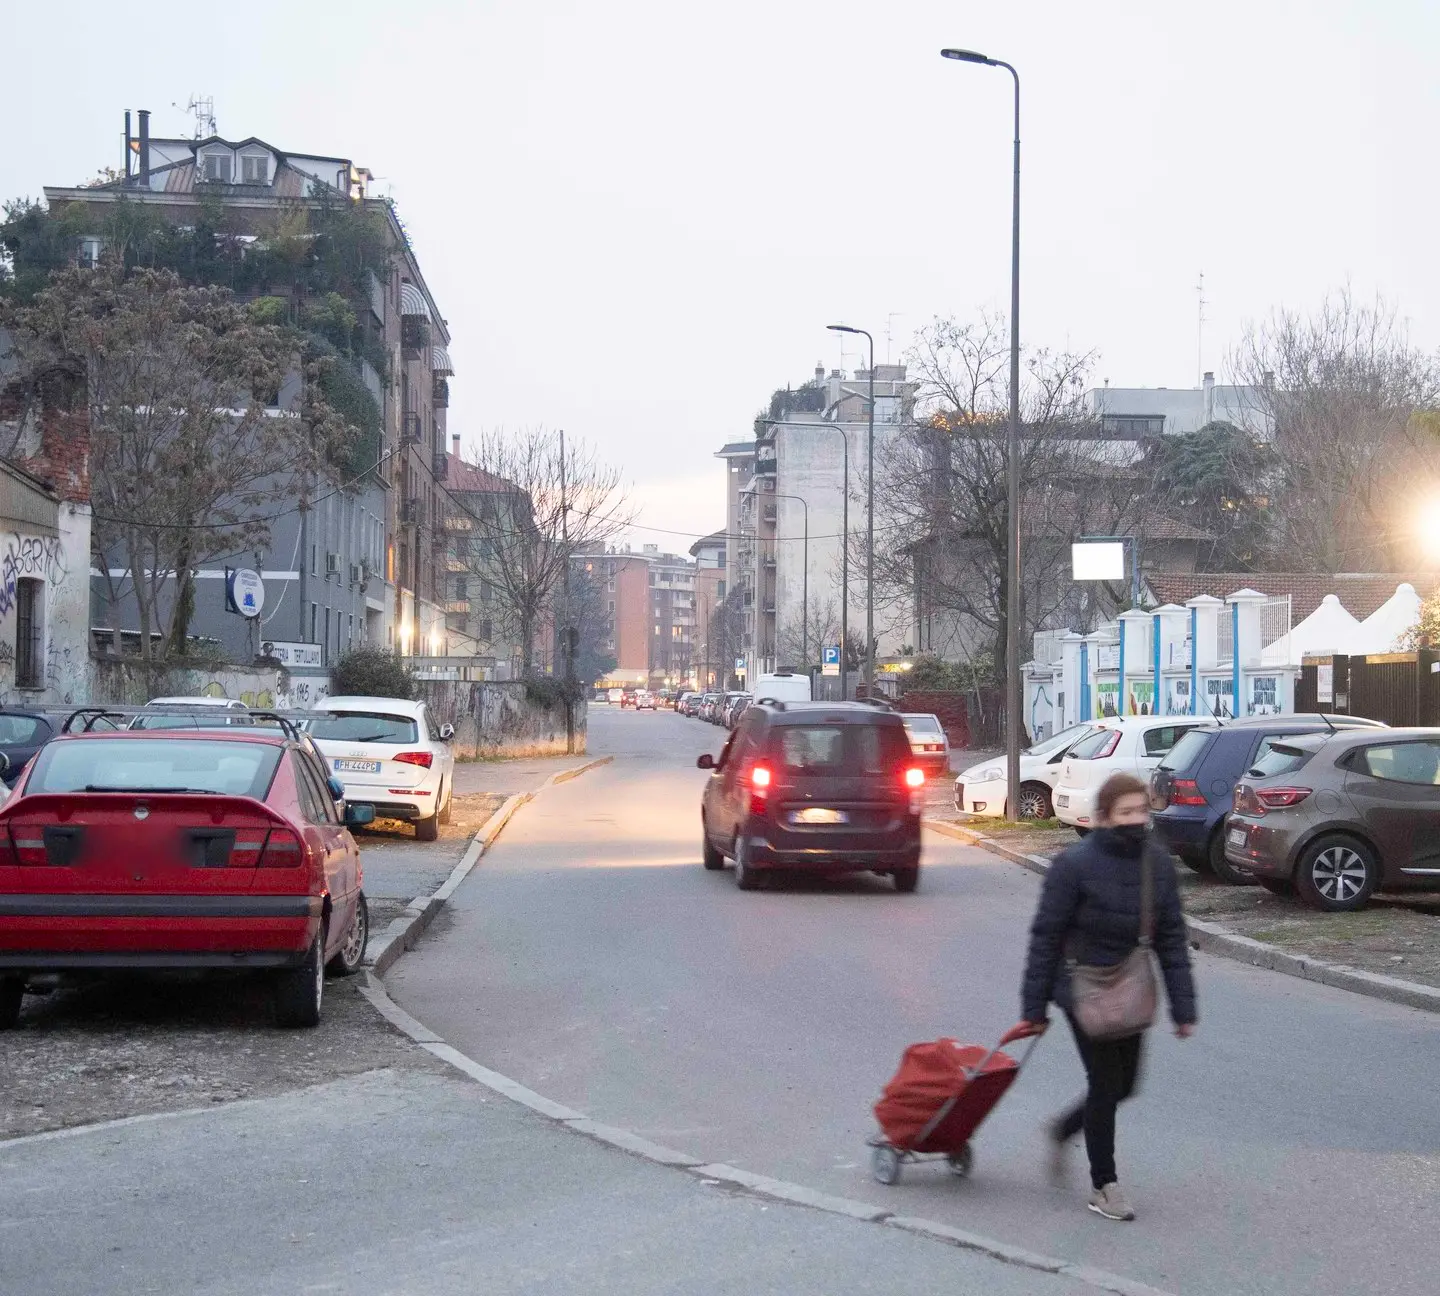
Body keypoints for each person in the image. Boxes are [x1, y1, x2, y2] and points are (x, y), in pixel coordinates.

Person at [1018, 771, 1197, 1221]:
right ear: (1102, 818)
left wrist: (1183, 1006)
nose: (1136, 820)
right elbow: (1045, 936)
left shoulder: (1156, 865)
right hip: (1081, 988)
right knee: (1104, 1082)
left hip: (1130, 985)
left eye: (1142, 811)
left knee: (1125, 1085)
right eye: (1126, 813)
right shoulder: (1073, 866)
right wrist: (1034, 1007)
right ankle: (1104, 1185)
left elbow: (1171, 937)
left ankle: (1063, 1129)